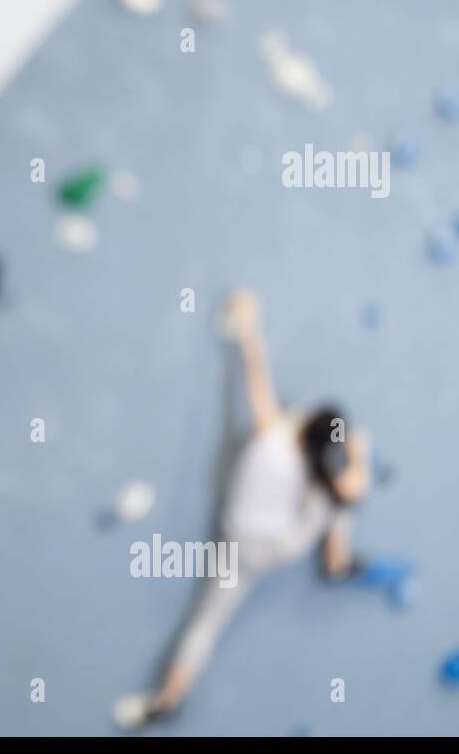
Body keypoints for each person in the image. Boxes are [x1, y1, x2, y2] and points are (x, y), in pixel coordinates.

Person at [113, 289, 372, 730]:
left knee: (206, 624)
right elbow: (344, 485)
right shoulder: (317, 482)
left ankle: (167, 700)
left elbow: (255, 370)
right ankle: (337, 561)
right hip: (279, 546)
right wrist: (359, 458)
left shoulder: (271, 432)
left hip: (236, 541)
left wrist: (248, 322)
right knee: (341, 499)